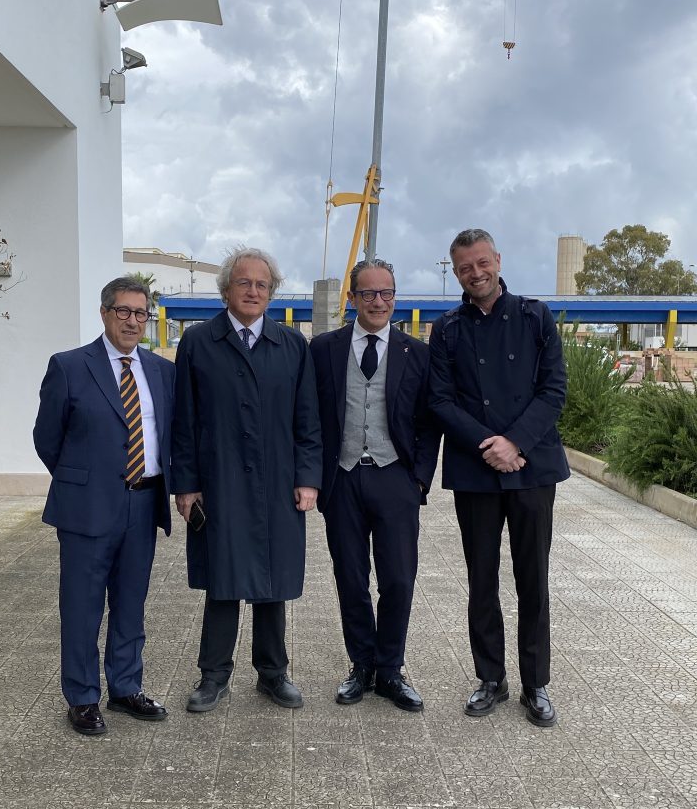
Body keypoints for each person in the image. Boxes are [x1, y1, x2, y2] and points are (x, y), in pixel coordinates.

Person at [428, 229, 570, 727]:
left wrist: (516, 443)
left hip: (532, 468)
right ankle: (491, 678)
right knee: (481, 579)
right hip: (476, 470)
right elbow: (440, 400)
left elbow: (553, 389)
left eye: (482, 263)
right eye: (465, 267)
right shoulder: (447, 329)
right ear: (456, 272)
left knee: (533, 578)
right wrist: (490, 445)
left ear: (498, 261)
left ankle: (536, 683)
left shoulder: (535, 316)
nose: (476, 273)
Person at [172, 246, 322, 713]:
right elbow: (184, 421)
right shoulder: (198, 342)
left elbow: (308, 420)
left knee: (272, 580)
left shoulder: (293, 345)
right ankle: (213, 675)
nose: (253, 291)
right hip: (219, 481)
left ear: (271, 293)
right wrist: (186, 484)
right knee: (223, 579)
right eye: (244, 282)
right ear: (226, 290)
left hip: (278, 482)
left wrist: (308, 478)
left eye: (262, 284)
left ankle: (273, 673)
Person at [33, 277, 174, 735]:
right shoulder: (70, 366)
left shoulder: (161, 370)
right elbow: (47, 438)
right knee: (82, 606)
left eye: (140, 313)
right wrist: (82, 480)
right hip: (87, 508)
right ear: (104, 313)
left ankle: (125, 688)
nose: (132, 321)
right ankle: (81, 697)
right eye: (123, 311)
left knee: (131, 604)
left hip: (144, 502)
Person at [310, 259, 440, 712]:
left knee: (399, 579)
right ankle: (361, 666)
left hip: (395, 478)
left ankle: (390, 669)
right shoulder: (323, 349)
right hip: (342, 479)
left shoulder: (416, 352)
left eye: (386, 293)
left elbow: (429, 421)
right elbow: (311, 416)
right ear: (352, 299)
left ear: (395, 297)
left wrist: (419, 479)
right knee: (351, 578)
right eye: (368, 293)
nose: (378, 301)